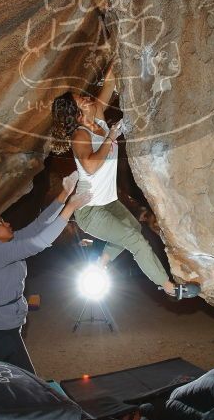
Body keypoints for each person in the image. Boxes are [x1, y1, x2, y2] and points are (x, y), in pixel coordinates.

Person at [50, 60, 200, 300]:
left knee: (133, 228)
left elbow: (109, 84)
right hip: (90, 210)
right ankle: (170, 288)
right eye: (81, 100)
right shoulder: (80, 135)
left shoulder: (97, 117)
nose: (87, 99)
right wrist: (110, 137)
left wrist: (117, 56)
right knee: (134, 240)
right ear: (77, 114)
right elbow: (89, 165)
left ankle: (102, 262)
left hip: (108, 201)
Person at [0, 172, 89, 375]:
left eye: (4, 221)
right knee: (25, 377)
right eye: (0, 224)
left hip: (11, 323)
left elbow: (39, 225)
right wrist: (70, 209)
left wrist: (64, 194)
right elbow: (37, 244)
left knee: (13, 377)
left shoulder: (8, 241)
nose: (7, 224)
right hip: (1, 329)